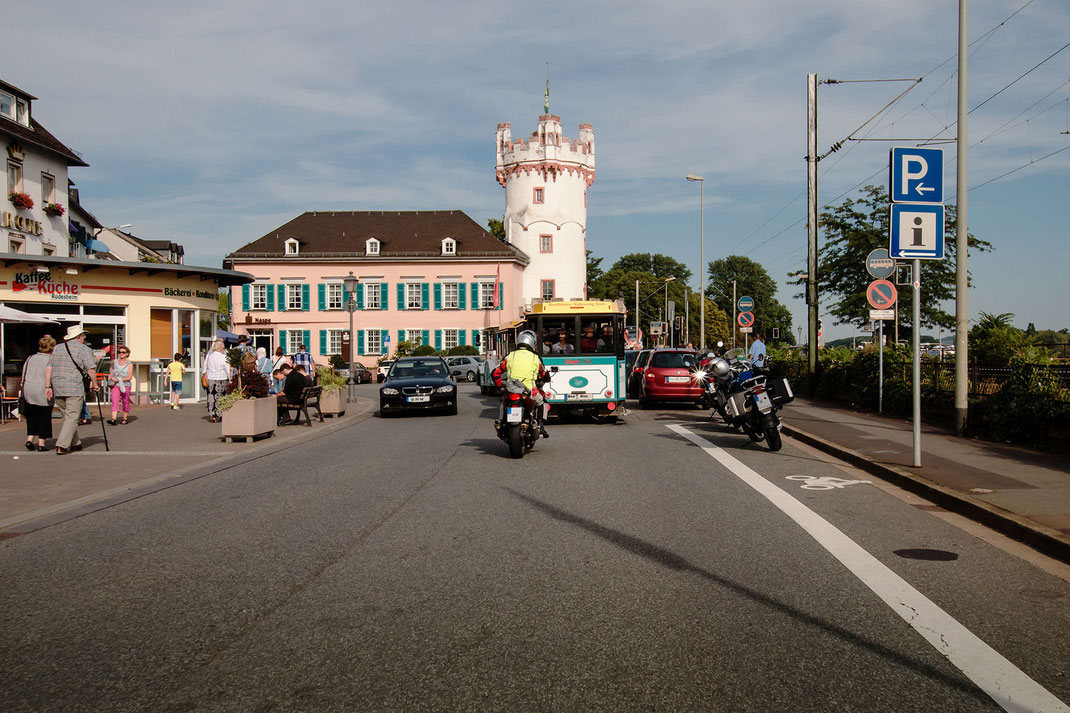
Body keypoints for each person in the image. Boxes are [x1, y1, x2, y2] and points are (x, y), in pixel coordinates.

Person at [44, 324, 99, 455]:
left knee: (67, 416)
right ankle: (62, 446)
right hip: (74, 386)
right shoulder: (84, 349)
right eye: (83, 335)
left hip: (58, 386)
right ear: (79, 336)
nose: (84, 338)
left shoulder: (57, 348)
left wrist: (48, 386)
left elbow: (49, 368)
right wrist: (95, 384)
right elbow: (91, 369)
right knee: (72, 417)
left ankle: (76, 443)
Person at [491, 329, 551, 438]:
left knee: (503, 401)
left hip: (511, 390)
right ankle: (540, 425)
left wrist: (500, 386)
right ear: (532, 343)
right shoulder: (535, 358)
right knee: (542, 401)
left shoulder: (510, 356)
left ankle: (500, 422)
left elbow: (495, 373)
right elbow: (543, 373)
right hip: (530, 391)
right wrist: (546, 377)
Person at [21, 335, 56, 452]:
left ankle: (30, 439)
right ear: (52, 347)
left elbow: (24, 374)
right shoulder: (51, 359)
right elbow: (51, 375)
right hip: (43, 389)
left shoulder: (30, 358)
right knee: (44, 416)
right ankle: (41, 443)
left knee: (31, 415)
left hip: (29, 388)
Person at [202, 338, 231, 423]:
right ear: (221, 349)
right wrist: (230, 378)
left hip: (211, 378)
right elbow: (227, 368)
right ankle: (221, 414)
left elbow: (205, 367)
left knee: (211, 397)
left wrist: (205, 375)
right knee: (222, 397)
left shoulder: (209, 356)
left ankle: (212, 415)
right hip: (221, 378)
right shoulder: (223, 357)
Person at [107, 344, 134, 425]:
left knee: (125, 401)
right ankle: (113, 419)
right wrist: (110, 379)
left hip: (125, 385)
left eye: (123, 352)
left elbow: (129, 377)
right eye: (119, 352)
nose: (121, 353)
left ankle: (125, 418)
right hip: (115, 385)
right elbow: (111, 371)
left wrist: (119, 379)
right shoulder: (114, 362)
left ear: (127, 354)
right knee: (114, 400)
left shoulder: (129, 364)